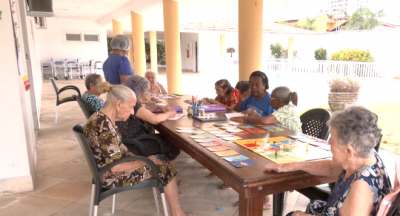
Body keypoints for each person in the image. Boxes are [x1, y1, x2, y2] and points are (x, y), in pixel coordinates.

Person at [83, 84, 194, 216]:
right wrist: (145, 162)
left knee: (159, 164)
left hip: (105, 169)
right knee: (165, 168)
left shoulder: (100, 118)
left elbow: (119, 149)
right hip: (110, 176)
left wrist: (143, 159)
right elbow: (116, 167)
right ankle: (177, 214)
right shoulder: (104, 127)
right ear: (118, 104)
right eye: (130, 107)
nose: (131, 113)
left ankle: (174, 212)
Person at [265, 106, 392, 216]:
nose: (329, 141)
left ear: (349, 150)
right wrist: (295, 165)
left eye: (333, 139)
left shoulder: (360, 190)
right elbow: (331, 167)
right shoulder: (363, 155)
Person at [115, 75, 187, 188]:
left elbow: (142, 111)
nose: (147, 95)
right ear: (140, 91)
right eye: (146, 92)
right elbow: (155, 119)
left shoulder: (126, 100)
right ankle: (166, 181)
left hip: (129, 141)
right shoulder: (132, 103)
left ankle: (166, 177)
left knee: (166, 139)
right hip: (133, 145)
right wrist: (170, 113)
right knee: (172, 144)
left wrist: (158, 107)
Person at [230, 86, 301, 132]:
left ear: (280, 101)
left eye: (271, 98)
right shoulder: (286, 108)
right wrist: (257, 118)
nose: (269, 100)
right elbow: (269, 121)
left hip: (294, 142)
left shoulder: (287, 109)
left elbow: (265, 121)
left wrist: (244, 118)